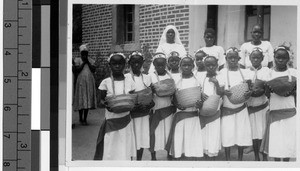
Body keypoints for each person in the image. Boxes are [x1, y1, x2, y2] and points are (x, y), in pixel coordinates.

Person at [94, 53, 136, 160]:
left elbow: (133, 98)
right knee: (111, 148)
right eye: (114, 64)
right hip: (112, 121)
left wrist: (132, 105)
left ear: (125, 65)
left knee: (124, 147)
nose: (117, 66)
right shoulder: (106, 82)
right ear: (110, 65)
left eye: (120, 63)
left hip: (125, 120)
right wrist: (106, 105)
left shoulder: (130, 81)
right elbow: (100, 101)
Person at [165, 55, 204, 160]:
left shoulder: (198, 80)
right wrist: (178, 105)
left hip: (193, 114)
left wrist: (200, 104)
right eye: (184, 65)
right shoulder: (176, 80)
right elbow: (173, 97)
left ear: (193, 66)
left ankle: (192, 160)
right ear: (180, 66)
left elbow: (202, 97)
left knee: (192, 138)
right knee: (180, 139)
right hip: (181, 115)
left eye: (189, 65)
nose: (186, 67)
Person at [219, 47, 253, 161]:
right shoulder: (222, 73)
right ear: (226, 59)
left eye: (235, 58)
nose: (232, 60)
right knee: (227, 134)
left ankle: (240, 159)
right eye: (230, 58)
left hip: (241, 108)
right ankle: (228, 159)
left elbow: (250, 88)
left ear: (239, 58)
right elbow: (219, 91)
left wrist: (249, 93)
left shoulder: (244, 72)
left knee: (241, 134)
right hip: (228, 108)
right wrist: (223, 92)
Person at [264, 46, 296, 162]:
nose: (280, 60)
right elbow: (266, 94)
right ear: (274, 58)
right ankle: (277, 165)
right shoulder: (269, 73)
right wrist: (269, 89)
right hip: (275, 111)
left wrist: (292, 92)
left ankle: (286, 164)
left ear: (288, 59)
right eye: (278, 57)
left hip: (289, 111)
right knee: (276, 143)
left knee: (287, 141)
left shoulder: (293, 73)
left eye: (284, 58)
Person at [126, 51, 154, 160]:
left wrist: (148, 105)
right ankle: (130, 162)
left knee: (141, 139)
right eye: (134, 62)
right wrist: (133, 106)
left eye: (139, 62)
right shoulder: (126, 77)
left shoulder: (147, 78)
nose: (136, 65)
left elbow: (152, 99)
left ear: (142, 62)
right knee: (131, 139)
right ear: (129, 63)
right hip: (131, 115)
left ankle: (139, 162)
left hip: (143, 115)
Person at [149, 52, 175, 160]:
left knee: (168, 131)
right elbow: (148, 92)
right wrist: (152, 90)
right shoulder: (151, 76)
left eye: (162, 65)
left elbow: (174, 90)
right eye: (158, 65)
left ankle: (168, 153)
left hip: (168, 107)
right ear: (154, 65)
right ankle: (153, 155)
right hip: (156, 108)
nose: (160, 67)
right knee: (154, 132)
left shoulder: (170, 75)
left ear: (166, 64)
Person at [246, 47, 270, 161]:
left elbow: (269, 87)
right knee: (254, 134)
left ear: (262, 58)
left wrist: (263, 88)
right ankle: (256, 157)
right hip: (251, 107)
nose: (255, 59)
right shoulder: (246, 72)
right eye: (253, 57)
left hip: (263, 107)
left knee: (263, 132)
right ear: (250, 58)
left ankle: (264, 156)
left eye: (258, 57)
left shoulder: (267, 71)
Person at [198, 56, 223, 160]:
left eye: (213, 65)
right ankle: (204, 153)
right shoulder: (200, 77)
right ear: (205, 65)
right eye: (208, 65)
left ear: (217, 65)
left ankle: (212, 154)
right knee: (203, 133)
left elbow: (221, 93)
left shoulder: (220, 76)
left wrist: (216, 84)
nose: (211, 67)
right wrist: (201, 93)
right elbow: (197, 89)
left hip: (215, 110)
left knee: (213, 133)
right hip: (203, 110)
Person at [73, 44, 97, 125]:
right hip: (81, 82)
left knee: (87, 99)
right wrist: (83, 63)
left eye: (86, 54)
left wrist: (88, 62)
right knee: (81, 99)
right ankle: (80, 118)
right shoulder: (78, 60)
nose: (84, 56)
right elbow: (77, 70)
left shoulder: (90, 60)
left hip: (89, 82)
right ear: (80, 54)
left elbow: (93, 70)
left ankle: (85, 119)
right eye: (83, 54)